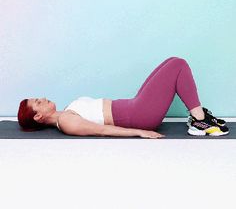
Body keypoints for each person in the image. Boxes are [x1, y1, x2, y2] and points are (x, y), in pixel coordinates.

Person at [17, 57, 229, 138]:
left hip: (135, 107)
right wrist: (140, 133)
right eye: (38, 102)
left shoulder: (66, 111)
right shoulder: (66, 121)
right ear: (37, 117)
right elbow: (101, 130)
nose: (43, 98)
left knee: (172, 61)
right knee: (178, 65)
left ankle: (197, 117)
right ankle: (199, 120)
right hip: (139, 115)